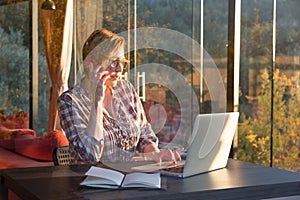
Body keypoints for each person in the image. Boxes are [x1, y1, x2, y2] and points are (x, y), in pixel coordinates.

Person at [57, 29, 182, 165]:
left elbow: (144, 132)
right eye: (113, 61)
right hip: (92, 182)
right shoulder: (70, 102)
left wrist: (155, 153)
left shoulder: (125, 88)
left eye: (122, 62)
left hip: (130, 177)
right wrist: (97, 101)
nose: (120, 69)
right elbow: (90, 155)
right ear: (90, 62)